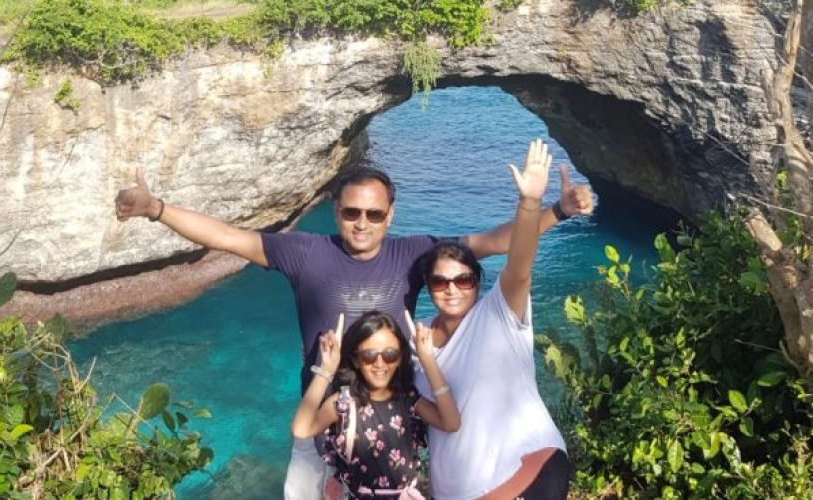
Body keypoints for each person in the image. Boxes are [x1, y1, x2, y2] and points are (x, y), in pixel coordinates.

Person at [115, 162, 592, 499]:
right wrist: (156, 207)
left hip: (391, 426)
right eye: (351, 213)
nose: (361, 224)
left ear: (391, 216)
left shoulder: (413, 254)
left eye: (374, 214)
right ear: (336, 209)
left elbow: (492, 243)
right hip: (325, 418)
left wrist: (557, 211)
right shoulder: (305, 253)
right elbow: (227, 237)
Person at [411, 139, 570, 499]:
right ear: (428, 286)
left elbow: (520, 265)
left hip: (526, 473)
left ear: (477, 282)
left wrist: (530, 204)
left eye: (463, 279)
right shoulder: (415, 345)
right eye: (440, 281)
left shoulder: (498, 314)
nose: (452, 289)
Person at [291, 310, 459, 499]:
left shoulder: (408, 397)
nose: (380, 364)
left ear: (400, 358)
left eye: (390, 354)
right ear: (355, 360)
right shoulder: (344, 404)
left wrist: (428, 360)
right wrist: (326, 369)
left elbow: (451, 422)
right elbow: (301, 430)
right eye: (369, 355)